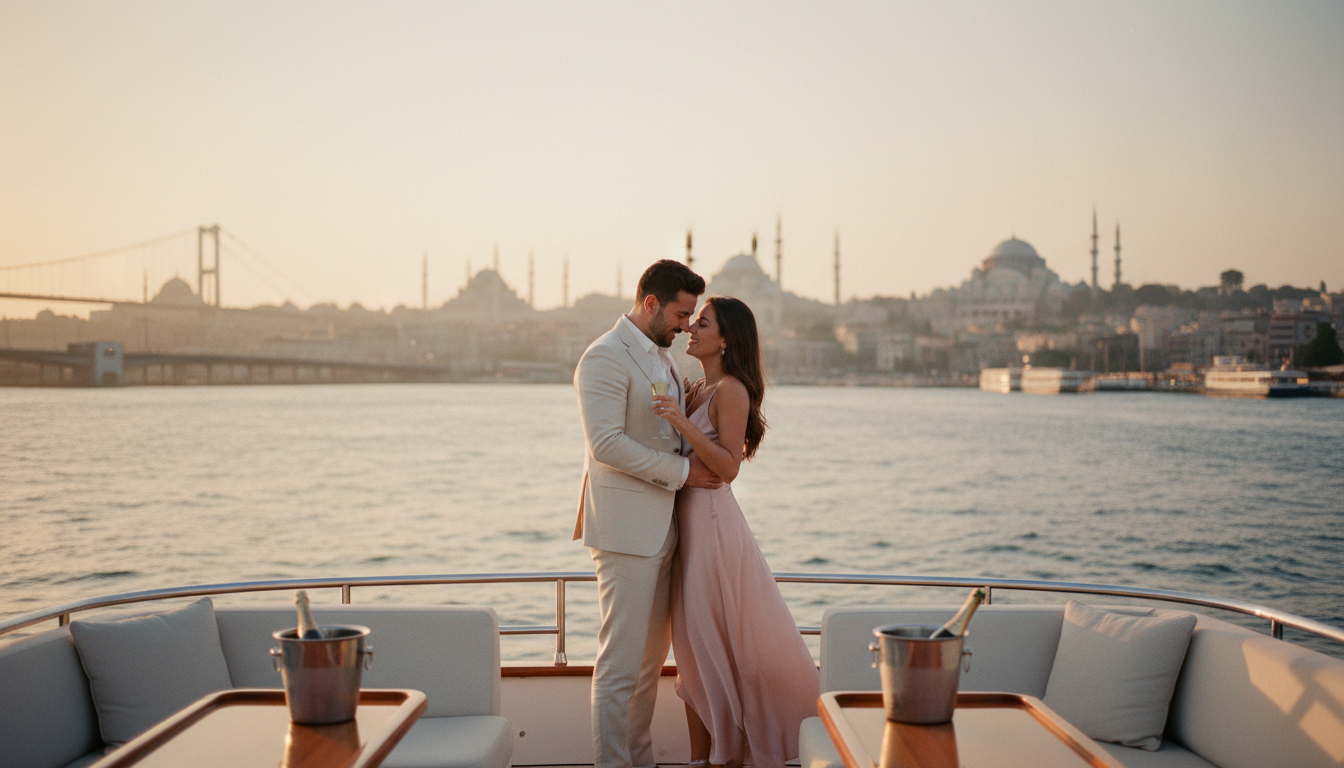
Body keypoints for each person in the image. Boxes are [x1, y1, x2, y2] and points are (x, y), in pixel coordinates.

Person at [652, 296, 820, 768]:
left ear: (724, 339)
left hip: (712, 529)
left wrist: (681, 420)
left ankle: (727, 756)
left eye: (701, 323)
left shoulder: (731, 390)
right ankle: (702, 760)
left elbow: (728, 468)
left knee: (706, 647)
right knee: (691, 653)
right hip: (689, 530)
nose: (691, 329)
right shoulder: (699, 388)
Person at [573, 259, 724, 768]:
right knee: (619, 668)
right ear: (651, 303)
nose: (686, 326)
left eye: (692, 317)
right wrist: (684, 475)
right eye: (682, 314)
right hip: (624, 532)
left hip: (666, 530)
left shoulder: (665, 361)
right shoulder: (604, 357)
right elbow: (606, 444)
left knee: (647, 667)